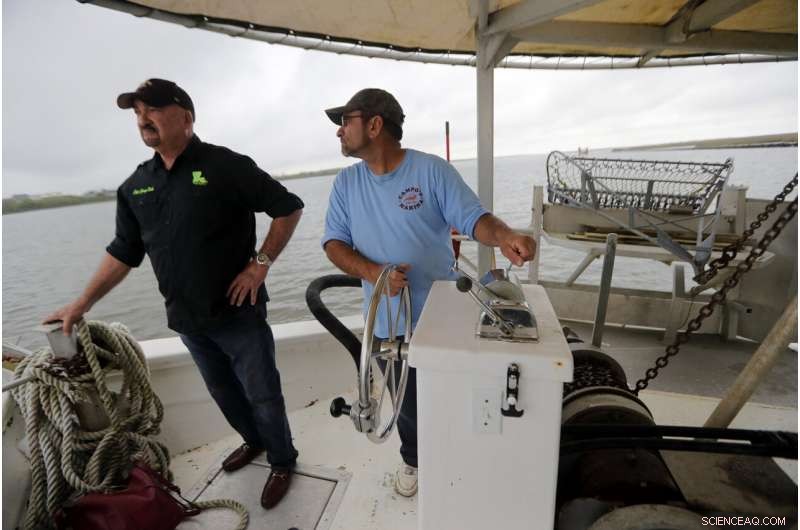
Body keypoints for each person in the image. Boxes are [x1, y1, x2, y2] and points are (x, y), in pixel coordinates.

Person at [45, 78, 303, 510]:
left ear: (186, 116)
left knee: (263, 394)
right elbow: (123, 253)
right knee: (223, 392)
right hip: (187, 319)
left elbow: (288, 207)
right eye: (137, 112)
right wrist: (82, 303)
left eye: (152, 109)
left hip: (239, 313)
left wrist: (259, 265)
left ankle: (281, 460)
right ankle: (253, 441)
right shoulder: (135, 186)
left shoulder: (226, 165)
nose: (143, 119)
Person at [320, 88, 536, 497]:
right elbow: (334, 243)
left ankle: (459, 454)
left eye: (345, 121)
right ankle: (414, 460)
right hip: (386, 323)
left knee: (454, 394)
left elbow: (474, 219)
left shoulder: (431, 171)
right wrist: (375, 274)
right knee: (406, 404)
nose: (339, 131)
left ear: (374, 124)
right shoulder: (346, 183)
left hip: (442, 317)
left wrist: (506, 236)